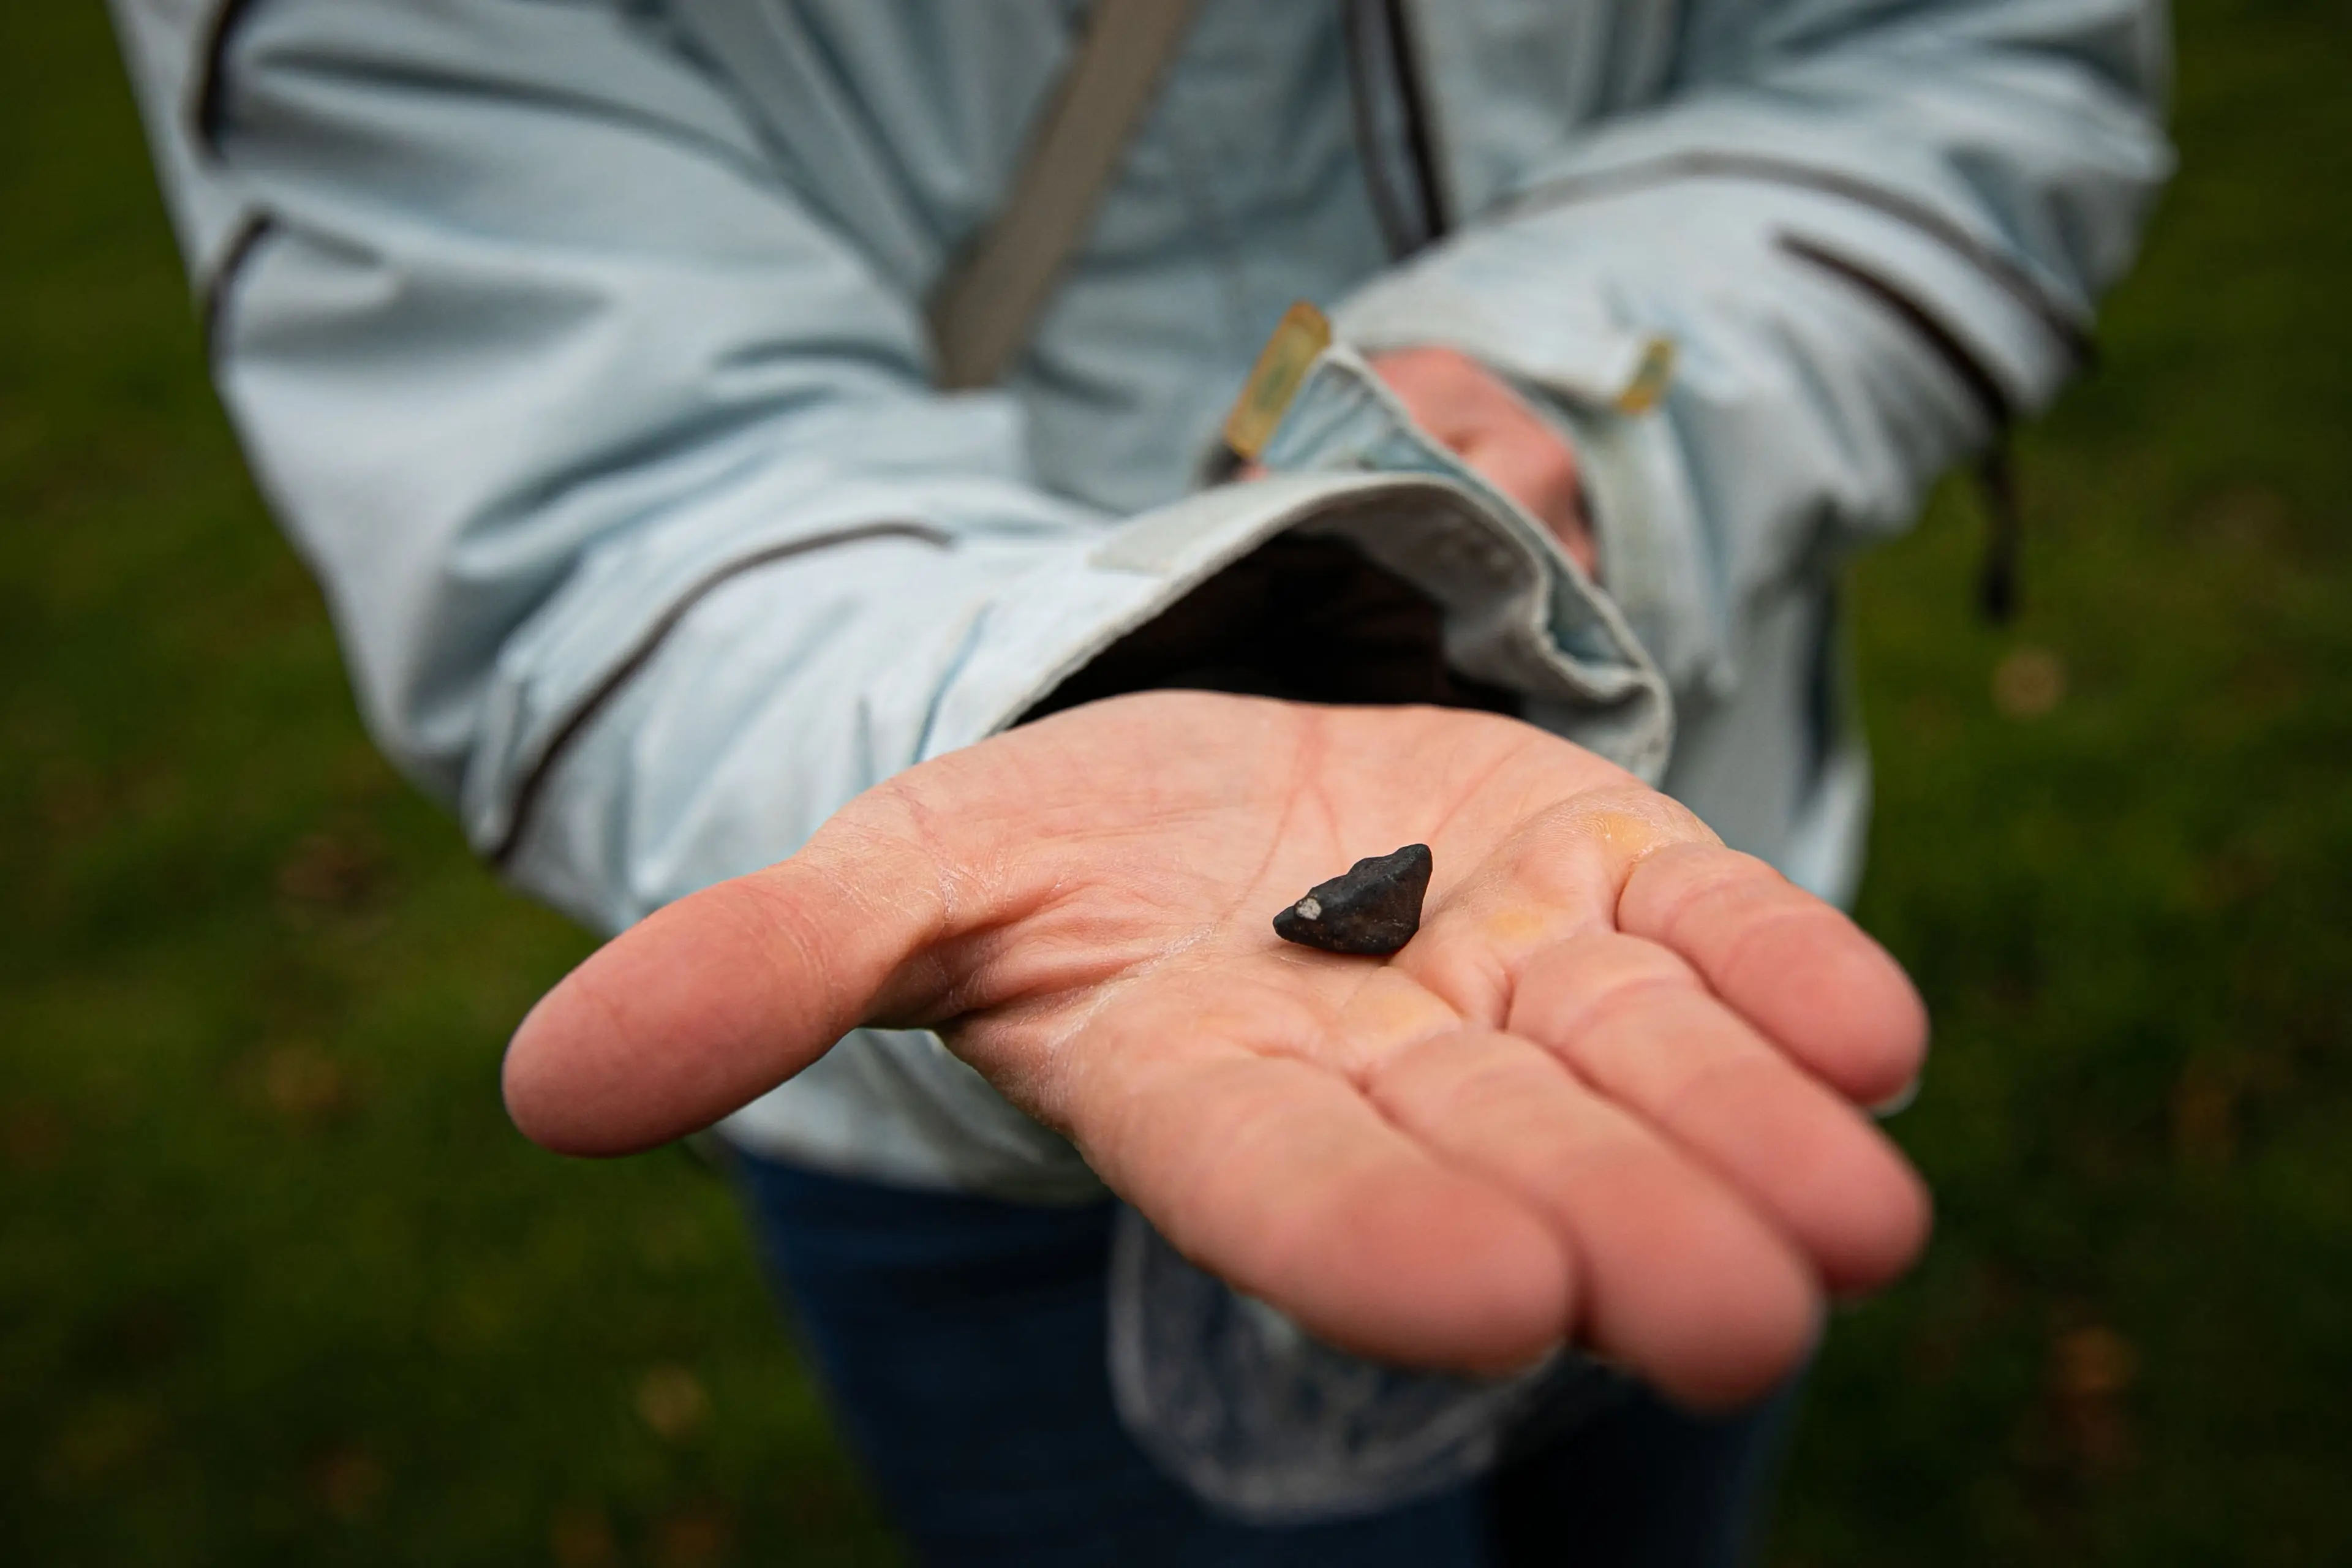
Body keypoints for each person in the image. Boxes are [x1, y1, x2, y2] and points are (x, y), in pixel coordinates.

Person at [111, 0, 2169, 1561]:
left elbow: (1984, 65)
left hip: (1656, 922)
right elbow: (585, 467)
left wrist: (1554, 396)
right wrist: (1011, 734)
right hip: (966, 1083)